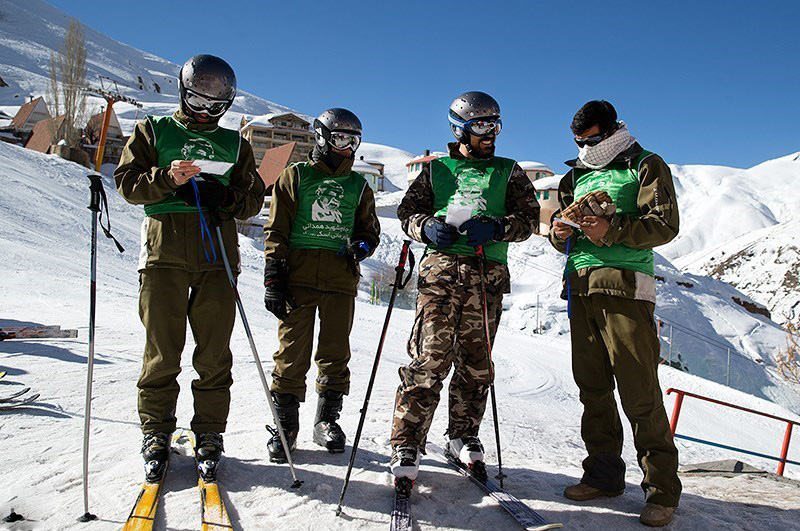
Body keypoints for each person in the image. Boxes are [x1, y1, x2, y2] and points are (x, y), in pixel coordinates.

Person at [114, 54, 266, 481]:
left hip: (217, 253)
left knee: (214, 353)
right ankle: (156, 433)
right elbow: (126, 183)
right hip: (164, 251)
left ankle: (210, 434)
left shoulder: (237, 144)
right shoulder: (153, 129)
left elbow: (253, 200)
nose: (205, 108)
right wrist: (168, 179)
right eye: (198, 97)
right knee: (163, 351)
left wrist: (224, 197)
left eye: (215, 100)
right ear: (184, 89)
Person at [389, 91, 539, 483]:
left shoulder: (510, 171)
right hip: (441, 274)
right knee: (430, 357)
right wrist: (426, 227)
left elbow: (528, 219)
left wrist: (499, 226)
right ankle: (408, 441)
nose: (490, 134)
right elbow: (407, 213)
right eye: (481, 126)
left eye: (495, 125)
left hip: (486, 277)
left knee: (476, 364)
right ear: (460, 128)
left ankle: (463, 436)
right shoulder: (437, 170)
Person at [549, 100, 682, 527]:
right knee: (593, 390)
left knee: (639, 392)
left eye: (592, 140)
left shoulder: (645, 164)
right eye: (579, 142)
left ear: (611, 131)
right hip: (581, 287)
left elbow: (665, 224)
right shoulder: (575, 175)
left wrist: (614, 229)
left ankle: (662, 492)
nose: (586, 147)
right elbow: (560, 239)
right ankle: (603, 477)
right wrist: (558, 231)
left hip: (627, 289)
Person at [262, 108, 380, 463]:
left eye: (353, 141)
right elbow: (277, 229)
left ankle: (326, 420)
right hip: (297, 278)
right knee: (291, 352)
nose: (347, 147)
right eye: (341, 138)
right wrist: (274, 275)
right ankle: (286, 425)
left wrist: (363, 245)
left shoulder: (359, 186)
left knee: (334, 352)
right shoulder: (295, 176)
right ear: (323, 137)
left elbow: (368, 230)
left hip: (339, 279)